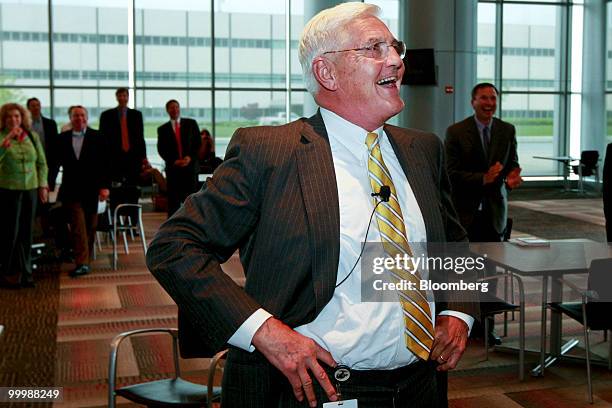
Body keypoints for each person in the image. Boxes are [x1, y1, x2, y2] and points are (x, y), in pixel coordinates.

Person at [147, 3, 477, 407]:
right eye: (374, 48)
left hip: (421, 386)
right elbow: (174, 248)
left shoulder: (423, 150)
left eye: (395, 47)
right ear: (326, 72)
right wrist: (266, 333)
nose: (395, 60)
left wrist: (459, 312)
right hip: (315, 390)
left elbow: (454, 244)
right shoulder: (270, 153)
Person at [445, 83, 523, 344]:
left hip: (493, 214)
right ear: (473, 101)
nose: (489, 103)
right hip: (464, 215)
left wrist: (512, 175)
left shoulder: (506, 130)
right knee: (463, 272)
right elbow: (449, 173)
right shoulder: (456, 132)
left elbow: (512, 162)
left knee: (490, 272)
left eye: (493, 98)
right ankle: (460, 328)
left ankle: (486, 328)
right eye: (483, 98)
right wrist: (482, 178)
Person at [52, 106, 110, 277]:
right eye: (76, 115)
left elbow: (106, 164)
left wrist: (105, 186)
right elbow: (55, 163)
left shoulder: (98, 137)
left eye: (82, 115)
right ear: (71, 118)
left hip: (93, 189)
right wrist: (47, 184)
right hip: (71, 189)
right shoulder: (62, 138)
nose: (79, 118)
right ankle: (82, 262)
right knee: (78, 226)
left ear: (87, 117)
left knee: (91, 226)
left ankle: (85, 258)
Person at [0, 103, 48, 288]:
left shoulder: (32, 136)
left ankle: (26, 273)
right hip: (8, 190)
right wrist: (6, 142)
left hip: (31, 190)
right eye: (10, 117)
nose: (14, 120)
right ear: (4, 120)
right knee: (10, 233)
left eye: (17, 117)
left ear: (23, 119)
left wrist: (43, 184)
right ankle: (9, 273)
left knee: (27, 232)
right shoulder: (2, 137)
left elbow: (42, 163)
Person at [99, 87, 146, 211]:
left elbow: (140, 137)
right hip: (114, 160)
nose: (122, 98)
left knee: (133, 191)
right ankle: (116, 219)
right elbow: (102, 139)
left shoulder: (136, 115)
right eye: (120, 96)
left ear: (128, 97)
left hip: (133, 159)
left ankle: (133, 220)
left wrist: (143, 158)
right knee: (115, 191)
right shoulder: (106, 115)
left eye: (125, 96)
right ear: (116, 97)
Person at [156, 99, 201, 217]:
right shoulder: (162, 129)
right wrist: (174, 161)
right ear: (167, 110)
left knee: (191, 200)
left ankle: (193, 225)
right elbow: (161, 149)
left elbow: (197, 144)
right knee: (173, 202)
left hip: (190, 168)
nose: (174, 109)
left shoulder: (191, 124)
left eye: (176, 107)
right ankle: (173, 228)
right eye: (171, 107)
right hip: (173, 169)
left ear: (179, 108)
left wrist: (189, 158)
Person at [26, 98, 58, 189]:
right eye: (33, 105)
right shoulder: (24, 124)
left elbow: (55, 145)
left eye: (38, 105)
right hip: (29, 162)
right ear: (28, 108)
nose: (36, 107)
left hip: (47, 161)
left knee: (45, 189)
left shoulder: (50, 124)